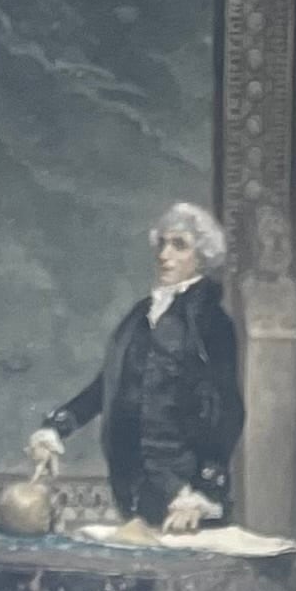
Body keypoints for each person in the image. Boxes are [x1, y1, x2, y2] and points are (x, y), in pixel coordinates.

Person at [34, 204, 244, 533]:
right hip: (133, 487)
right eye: (161, 243)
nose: (164, 254)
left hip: (186, 496)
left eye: (179, 245)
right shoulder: (139, 316)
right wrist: (56, 427)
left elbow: (227, 410)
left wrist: (203, 491)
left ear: (202, 256)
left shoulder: (213, 322)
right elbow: (108, 386)